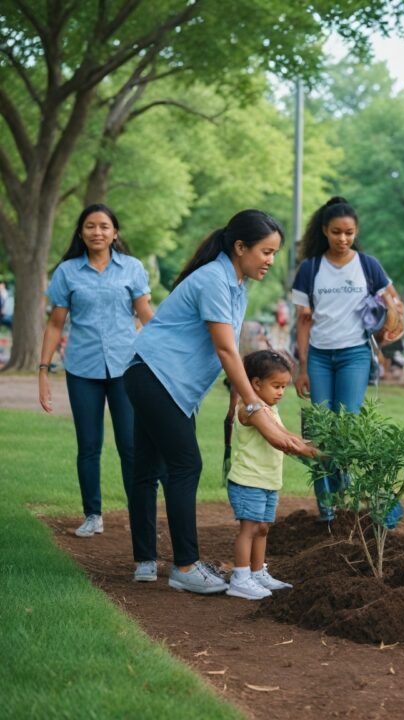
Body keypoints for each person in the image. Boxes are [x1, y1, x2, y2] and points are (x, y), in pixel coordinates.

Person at [124, 209, 314, 594]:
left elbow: (232, 352)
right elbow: (226, 349)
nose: (271, 261)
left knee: (148, 467)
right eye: (266, 251)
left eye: (275, 253)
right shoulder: (213, 278)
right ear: (240, 247)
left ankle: (148, 560)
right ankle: (185, 566)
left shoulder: (235, 284)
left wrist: (237, 400)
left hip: (162, 379)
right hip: (155, 374)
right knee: (185, 464)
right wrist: (256, 408)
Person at [38, 204, 153, 538]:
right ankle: (92, 514)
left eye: (104, 226)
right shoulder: (67, 272)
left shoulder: (132, 268)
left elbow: (145, 313)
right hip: (82, 367)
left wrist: (167, 351)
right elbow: (55, 323)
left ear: (115, 233)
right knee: (88, 445)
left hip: (125, 368)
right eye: (90, 226)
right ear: (81, 232)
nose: (97, 232)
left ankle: (139, 514)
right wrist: (43, 371)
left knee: (131, 446)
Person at [291, 196, 404, 522]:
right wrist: (301, 368)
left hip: (355, 354)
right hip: (319, 358)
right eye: (337, 232)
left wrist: (387, 326)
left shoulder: (368, 265)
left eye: (349, 233)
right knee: (321, 433)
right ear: (325, 231)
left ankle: (347, 490)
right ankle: (327, 507)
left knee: (347, 429)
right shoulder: (310, 269)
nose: (343, 239)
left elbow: (393, 304)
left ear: (356, 232)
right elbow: (303, 321)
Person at [225, 350, 295, 600]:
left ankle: (257, 572)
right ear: (256, 383)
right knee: (249, 529)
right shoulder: (248, 409)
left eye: (284, 387)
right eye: (276, 386)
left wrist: (313, 446)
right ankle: (240, 578)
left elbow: (287, 436)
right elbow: (280, 441)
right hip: (249, 481)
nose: (281, 392)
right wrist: (307, 450)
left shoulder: (270, 409)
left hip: (267, 482)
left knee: (263, 528)